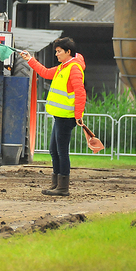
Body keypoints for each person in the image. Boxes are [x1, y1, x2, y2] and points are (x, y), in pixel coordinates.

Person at [20, 37, 86, 196]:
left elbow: (80, 92)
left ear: (68, 52)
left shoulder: (74, 68)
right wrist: (30, 60)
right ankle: (57, 184)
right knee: (54, 150)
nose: (56, 54)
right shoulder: (64, 67)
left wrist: (78, 115)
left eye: (58, 51)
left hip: (66, 117)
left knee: (61, 151)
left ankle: (63, 188)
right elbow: (45, 72)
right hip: (60, 116)